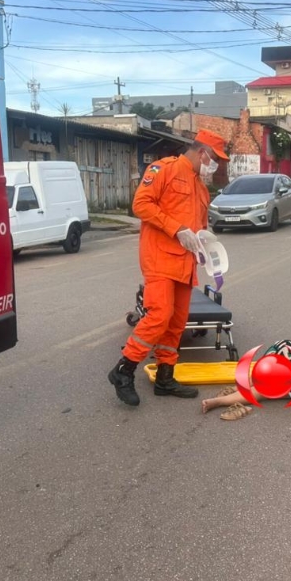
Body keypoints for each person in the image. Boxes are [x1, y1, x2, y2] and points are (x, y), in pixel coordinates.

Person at [108, 130, 230, 406]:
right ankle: (123, 370)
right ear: (202, 153)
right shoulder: (163, 169)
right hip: (161, 258)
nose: (216, 166)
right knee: (159, 315)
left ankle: (165, 376)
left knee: (176, 322)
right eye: (215, 160)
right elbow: (140, 204)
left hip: (186, 263)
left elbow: (199, 228)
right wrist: (176, 229)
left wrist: (206, 247)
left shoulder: (200, 186)